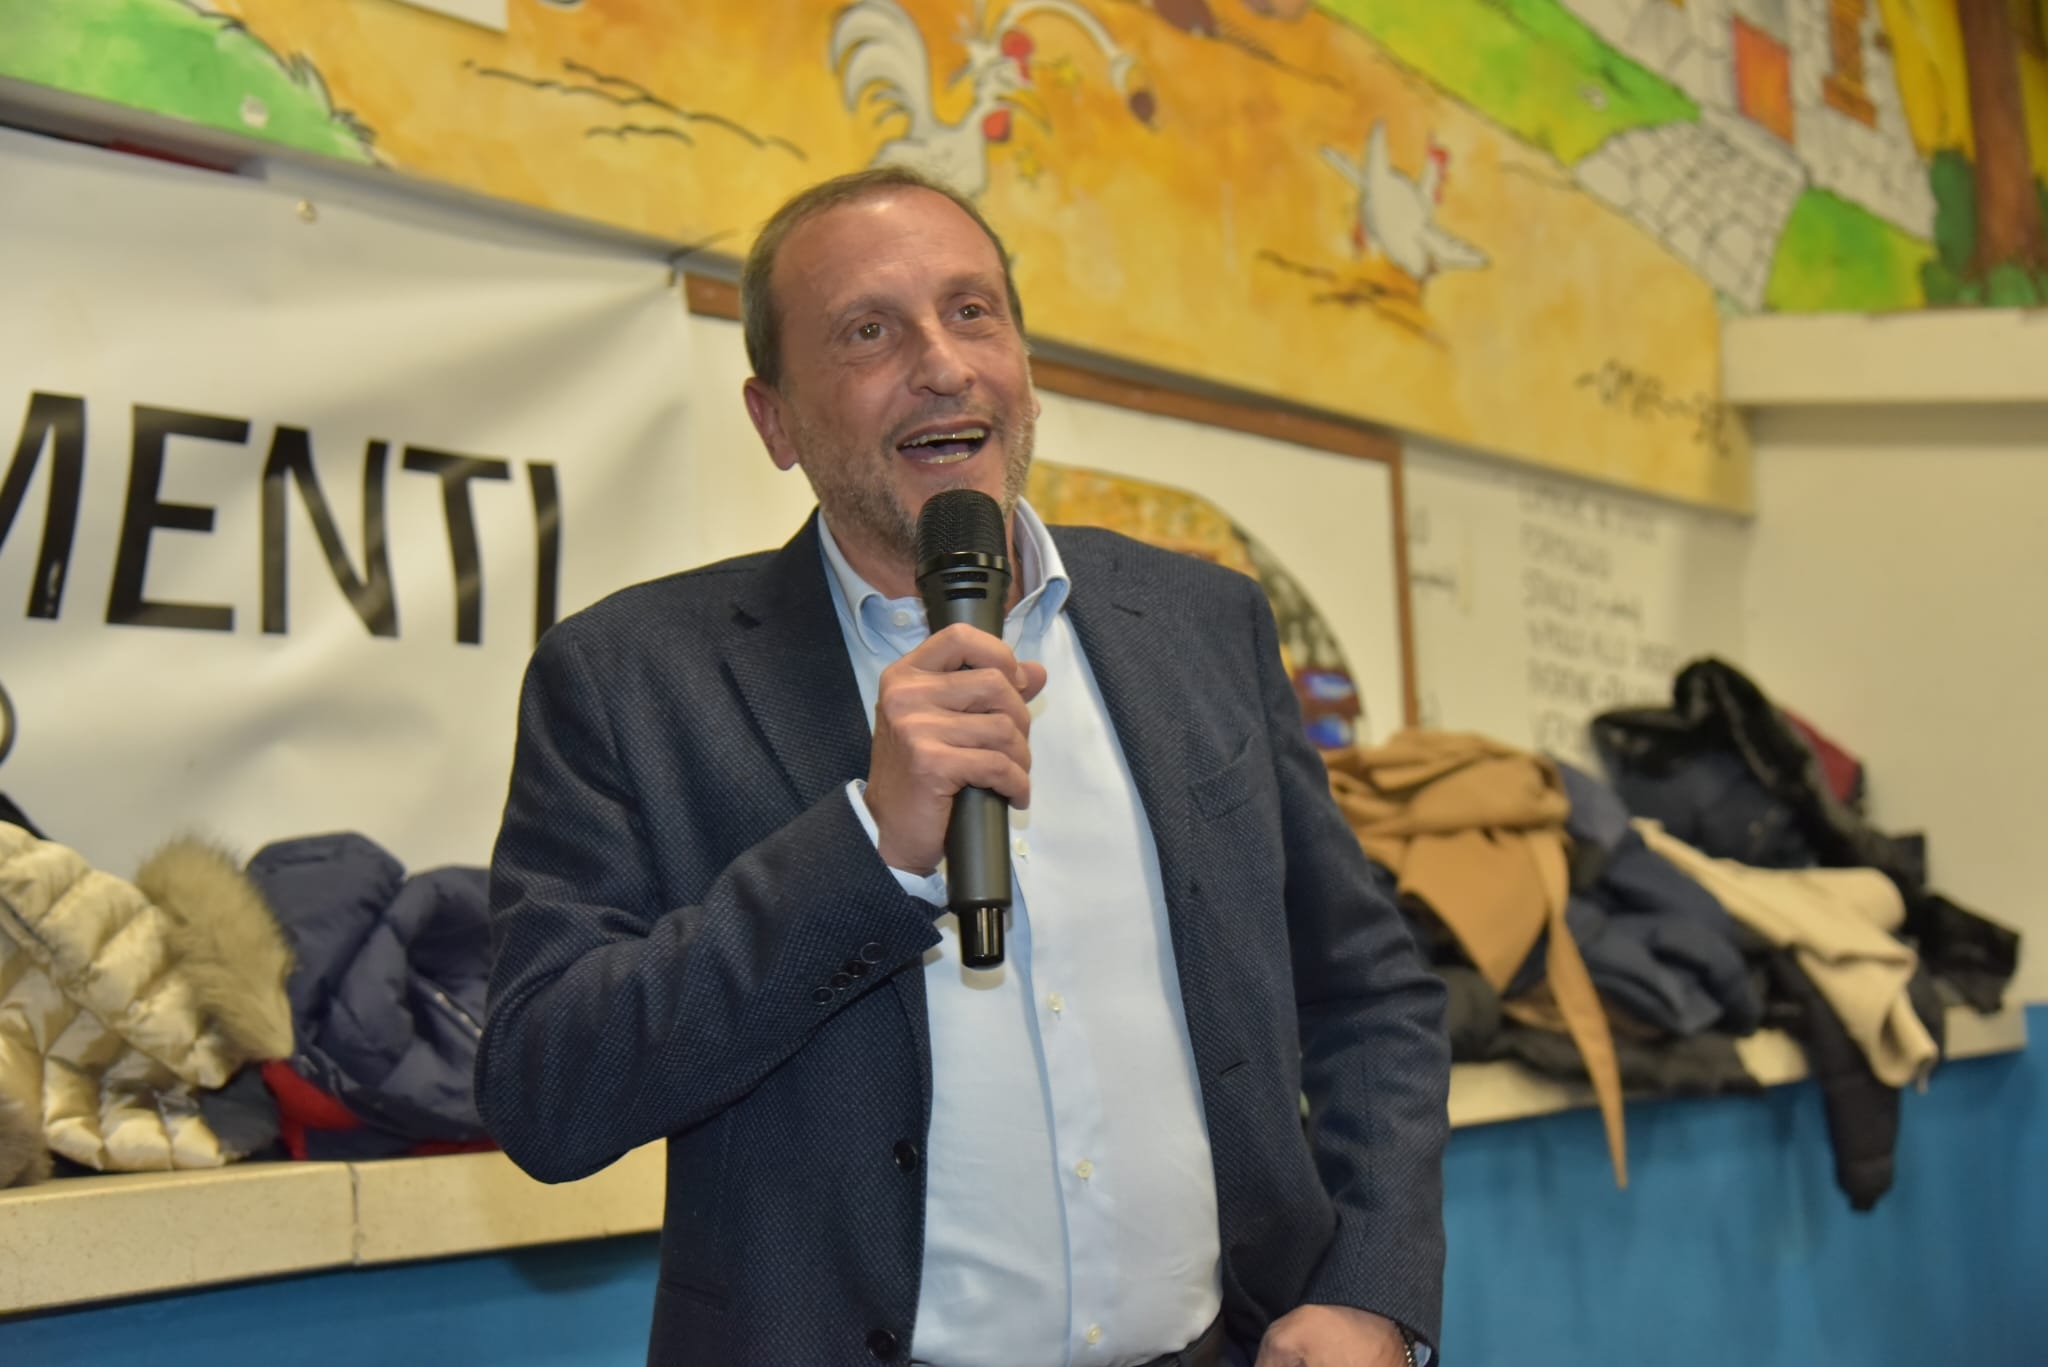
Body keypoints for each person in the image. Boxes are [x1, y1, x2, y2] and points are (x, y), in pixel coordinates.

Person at [479, 166, 1450, 1367]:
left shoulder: (1201, 625)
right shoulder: (631, 679)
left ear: (1023, 366)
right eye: (868, 331)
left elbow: (1369, 991)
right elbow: (547, 1089)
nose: (940, 365)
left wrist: (1370, 1291)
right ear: (774, 420)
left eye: (971, 311)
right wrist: (865, 848)